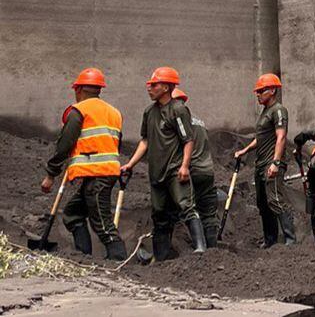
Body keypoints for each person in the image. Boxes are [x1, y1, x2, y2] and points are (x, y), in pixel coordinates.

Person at [41, 68, 127, 261]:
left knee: (102, 222)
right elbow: (114, 144)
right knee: (72, 214)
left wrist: (51, 174)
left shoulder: (78, 111)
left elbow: (64, 145)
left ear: (78, 89)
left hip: (98, 174)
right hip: (105, 172)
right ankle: (84, 257)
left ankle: (119, 260)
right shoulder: (114, 113)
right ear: (99, 90)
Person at [120, 67, 206, 259]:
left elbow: (188, 140)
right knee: (159, 213)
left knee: (186, 206)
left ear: (166, 87)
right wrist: (130, 164)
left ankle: (201, 249)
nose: (149, 88)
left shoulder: (178, 110)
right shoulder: (149, 112)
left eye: (154, 85)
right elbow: (145, 141)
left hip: (174, 170)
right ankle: (161, 256)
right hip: (156, 172)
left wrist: (184, 166)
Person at [234, 73, 294, 247]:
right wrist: (245, 150)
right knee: (263, 204)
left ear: (273, 91)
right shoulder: (265, 113)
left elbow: (281, 136)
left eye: (261, 91)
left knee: (275, 199)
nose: (258, 94)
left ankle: (290, 239)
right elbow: (260, 137)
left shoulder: (278, 110)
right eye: (257, 91)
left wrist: (276, 162)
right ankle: (270, 240)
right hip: (260, 164)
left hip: (271, 163)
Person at [171, 88, 218, 247]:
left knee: (189, 209)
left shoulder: (178, 122)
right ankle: (212, 248)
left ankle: (196, 247)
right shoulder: (199, 121)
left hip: (190, 171)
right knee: (209, 213)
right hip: (207, 170)